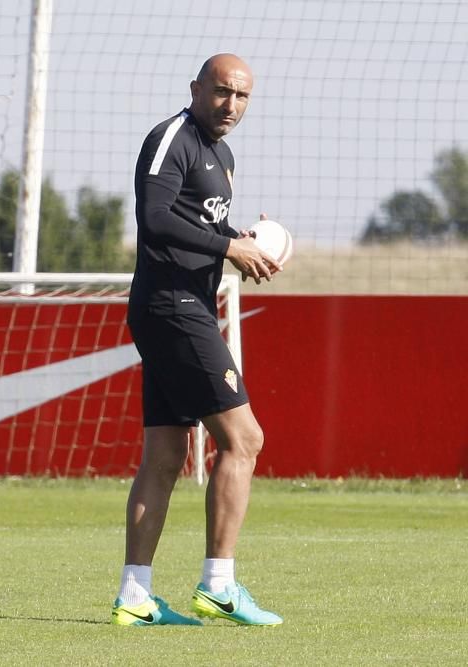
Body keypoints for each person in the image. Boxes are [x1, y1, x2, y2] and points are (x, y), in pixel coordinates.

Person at [112, 54, 284, 627]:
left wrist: (240, 239)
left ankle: (134, 598)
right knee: (246, 439)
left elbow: (200, 228)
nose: (231, 105)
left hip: (184, 308)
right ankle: (219, 585)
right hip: (172, 307)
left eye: (242, 96)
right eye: (221, 92)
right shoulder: (172, 138)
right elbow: (155, 218)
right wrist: (228, 248)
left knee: (165, 454)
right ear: (196, 88)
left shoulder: (223, 155)